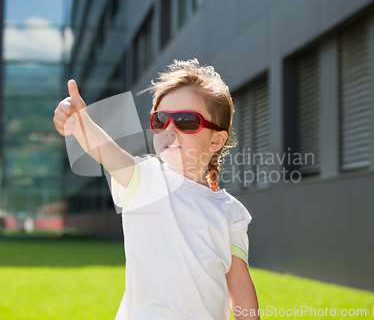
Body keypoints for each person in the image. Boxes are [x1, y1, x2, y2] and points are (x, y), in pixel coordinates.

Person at [53, 59, 260, 319]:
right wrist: (80, 124)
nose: (169, 129)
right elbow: (107, 152)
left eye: (186, 121)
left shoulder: (232, 213)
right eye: (161, 120)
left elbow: (239, 283)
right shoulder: (145, 180)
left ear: (216, 140)